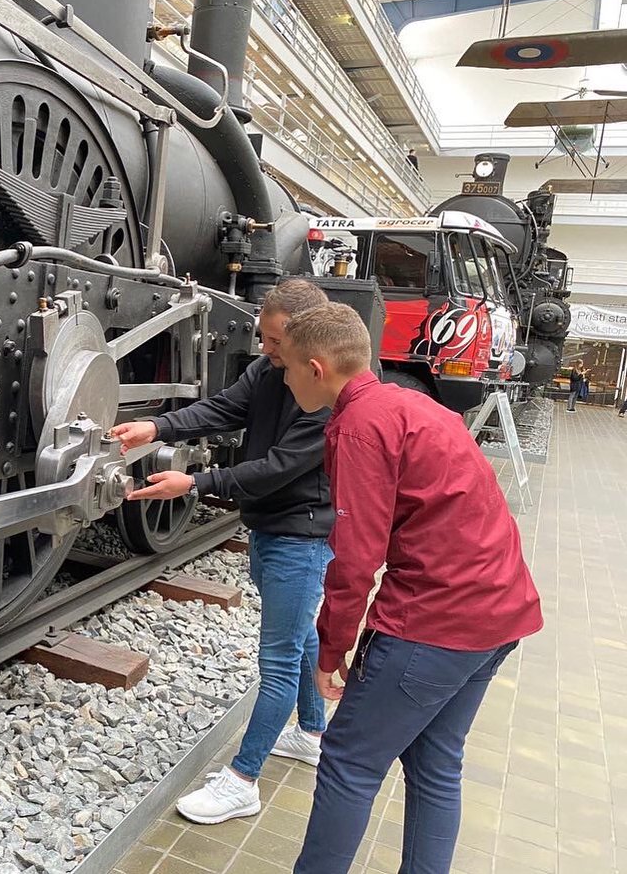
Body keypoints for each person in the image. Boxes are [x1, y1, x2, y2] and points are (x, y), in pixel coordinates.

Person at [279, 303, 543, 874]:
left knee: (349, 761)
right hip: (499, 613)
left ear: (317, 368)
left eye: (287, 367)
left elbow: (355, 555)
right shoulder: (414, 404)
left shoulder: (359, 427)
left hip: (435, 624)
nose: (284, 377)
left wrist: (331, 649)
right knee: (437, 763)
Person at [109, 279, 334, 825]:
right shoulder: (270, 372)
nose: (264, 348)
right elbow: (223, 409)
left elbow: (275, 469)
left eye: (274, 340)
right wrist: (156, 425)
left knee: (277, 660)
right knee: (300, 636)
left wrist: (194, 484)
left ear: (306, 343)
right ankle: (311, 732)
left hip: (301, 538)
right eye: (263, 334)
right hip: (273, 530)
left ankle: (243, 781)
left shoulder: (323, 395)